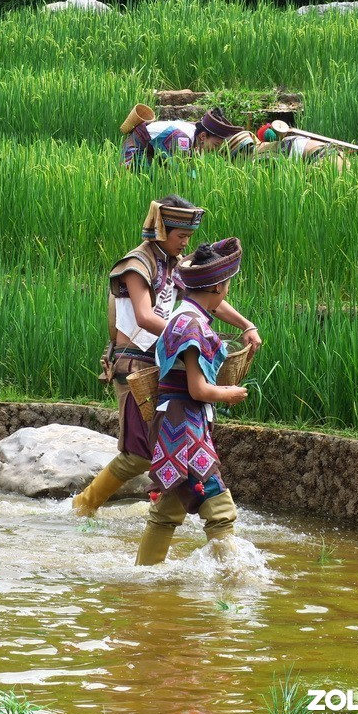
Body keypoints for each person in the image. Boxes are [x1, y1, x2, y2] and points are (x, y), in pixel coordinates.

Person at [73, 195, 261, 516]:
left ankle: (161, 513)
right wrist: (191, 335)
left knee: (165, 448)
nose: (185, 244)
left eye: (188, 238)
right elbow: (145, 316)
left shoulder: (174, 263)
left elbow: (206, 293)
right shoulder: (136, 265)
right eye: (180, 237)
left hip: (163, 362)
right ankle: (83, 505)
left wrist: (246, 324)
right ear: (162, 230)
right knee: (139, 454)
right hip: (134, 364)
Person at [135, 239, 249, 565]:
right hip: (184, 424)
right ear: (217, 287)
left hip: (175, 421)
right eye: (227, 285)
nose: (227, 291)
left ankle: (144, 576)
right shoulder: (193, 326)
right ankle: (235, 580)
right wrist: (230, 393)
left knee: (168, 507)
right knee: (219, 508)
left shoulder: (182, 316)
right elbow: (198, 389)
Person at [121, 108, 246, 170]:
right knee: (155, 182)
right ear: (203, 136)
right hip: (134, 153)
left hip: (150, 154)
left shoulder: (194, 136)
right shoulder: (182, 139)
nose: (215, 149)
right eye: (216, 144)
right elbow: (177, 170)